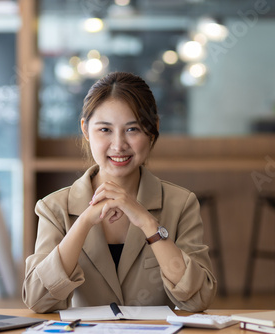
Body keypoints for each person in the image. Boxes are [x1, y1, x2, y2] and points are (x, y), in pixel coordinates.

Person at [22, 71, 217, 313]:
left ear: (153, 129)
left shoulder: (181, 204)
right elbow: (38, 300)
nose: (118, 145)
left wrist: (148, 223)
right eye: (105, 130)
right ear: (85, 130)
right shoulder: (54, 207)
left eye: (132, 129)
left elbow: (199, 299)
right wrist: (82, 223)